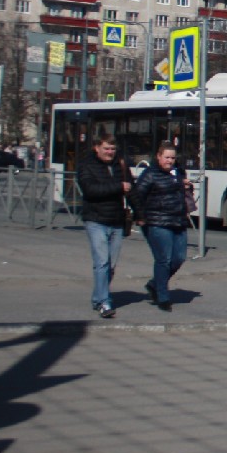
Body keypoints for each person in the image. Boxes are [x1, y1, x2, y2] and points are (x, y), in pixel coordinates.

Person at [131, 143, 194, 312]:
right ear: (159, 157)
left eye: (173, 158)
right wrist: (140, 216)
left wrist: (187, 186)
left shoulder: (178, 173)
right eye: (167, 157)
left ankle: (154, 284)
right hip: (158, 222)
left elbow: (182, 194)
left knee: (179, 258)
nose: (170, 161)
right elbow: (136, 195)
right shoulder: (150, 174)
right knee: (164, 260)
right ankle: (163, 297)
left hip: (178, 221)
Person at [77, 133, 131, 319]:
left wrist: (141, 213)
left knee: (111, 265)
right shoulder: (86, 165)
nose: (110, 152)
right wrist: (118, 187)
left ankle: (97, 297)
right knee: (102, 262)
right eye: (106, 148)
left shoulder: (120, 165)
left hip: (116, 221)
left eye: (113, 149)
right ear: (96, 148)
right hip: (95, 219)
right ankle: (104, 302)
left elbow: (131, 189)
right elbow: (90, 190)